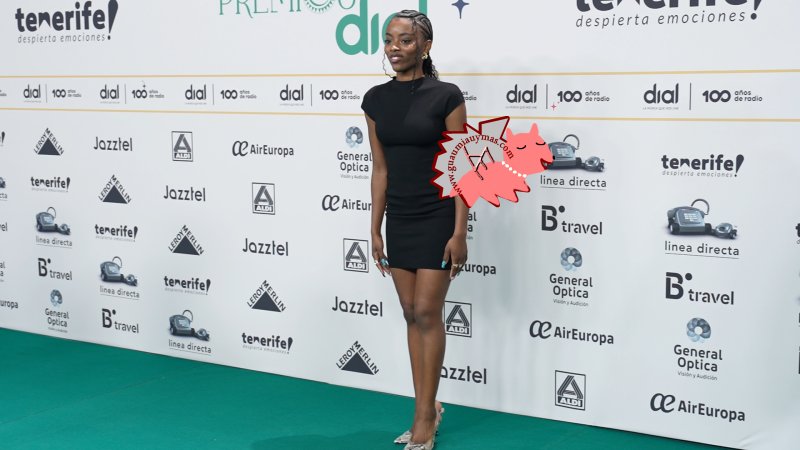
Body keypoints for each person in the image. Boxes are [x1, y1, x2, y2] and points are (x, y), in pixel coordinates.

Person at [360, 9, 468, 450]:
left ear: (425, 46)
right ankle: (427, 405)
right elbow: (380, 169)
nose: (394, 48)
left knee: (426, 312)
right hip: (400, 216)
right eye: (389, 39)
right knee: (409, 312)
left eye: (405, 40)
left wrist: (460, 232)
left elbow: (461, 166)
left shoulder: (446, 95)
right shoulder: (374, 99)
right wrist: (374, 228)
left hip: (438, 214)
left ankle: (424, 416)